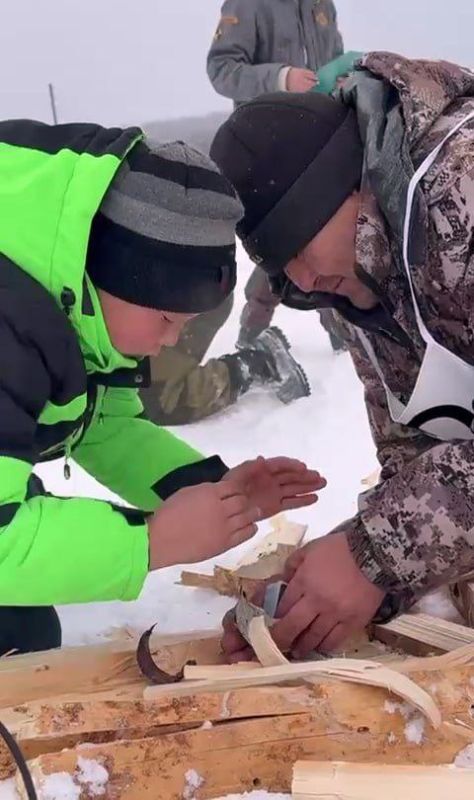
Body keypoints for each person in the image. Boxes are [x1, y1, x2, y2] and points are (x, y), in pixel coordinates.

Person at [0, 120, 325, 656]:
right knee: (16, 641)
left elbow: (103, 423)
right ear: (122, 276)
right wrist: (149, 543)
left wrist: (214, 491)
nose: (168, 344)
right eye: (168, 319)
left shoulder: (83, 301)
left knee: (25, 624)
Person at [210, 51, 474, 659]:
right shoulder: (361, 276)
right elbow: (422, 454)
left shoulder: (462, 186)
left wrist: (375, 555)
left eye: (299, 241)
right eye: (280, 265)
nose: (302, 277)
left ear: (350, 183)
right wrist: (328, 579)